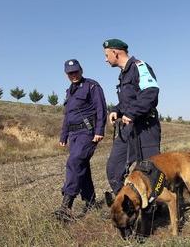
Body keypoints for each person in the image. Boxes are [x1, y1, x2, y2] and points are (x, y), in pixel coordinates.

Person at [102, 38, 161, 198]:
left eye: (107, 55)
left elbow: (151, 92)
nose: (105, 59)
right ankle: (128, 203)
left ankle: (154, 207)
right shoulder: (123, 75)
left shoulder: (139, 67)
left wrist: (132, 112)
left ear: (115, 52)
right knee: (114, 168)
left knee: (149, 169)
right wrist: (116, 110)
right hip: (128, 129)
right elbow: (126, 101)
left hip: (146, 127)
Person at [54, 59, 107, 221]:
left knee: (74, 162)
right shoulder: (69, 91)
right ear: (66, 74)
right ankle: (90, 202)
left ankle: (66, 205)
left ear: (81, 70)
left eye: (76, 71)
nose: (74, 75)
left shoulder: (92, 86)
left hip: (87, 132)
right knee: (82, 166)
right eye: (70, 73)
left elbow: (101, 108)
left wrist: (99, 130)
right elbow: (67, 116)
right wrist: (64, 135)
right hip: (73, 135)